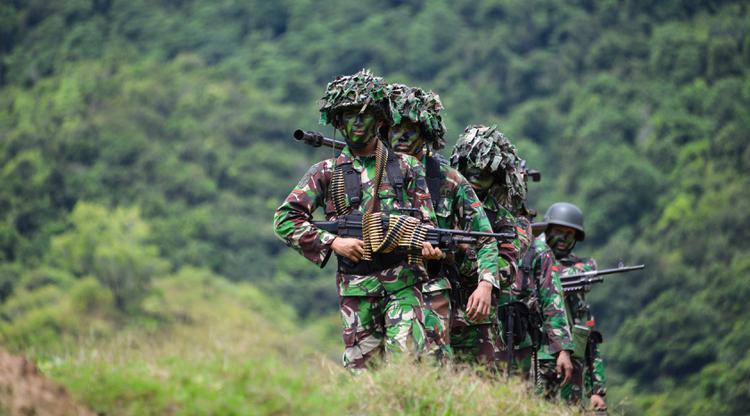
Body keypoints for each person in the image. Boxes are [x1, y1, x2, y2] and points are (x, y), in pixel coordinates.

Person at [273, 69, 444, 371]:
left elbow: (426, 222)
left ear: (380, 120)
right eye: (348, 116)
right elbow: (285, 220)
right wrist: (333, 242)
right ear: (338, 122)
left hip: (403, 284)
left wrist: (428, 245)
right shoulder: (326, 171)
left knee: (406, 367)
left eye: (363, 115)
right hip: (357, 290)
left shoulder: (406, 168)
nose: (356, 123)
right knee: (363, 377)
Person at [385, 84, 509, 363]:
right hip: (383, 286)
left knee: (434, 366)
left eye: (411, 130)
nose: (400, 136)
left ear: (426, 133)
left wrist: (486, 284)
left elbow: (485, 237)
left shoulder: (448, 180)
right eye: (394, 128)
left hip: (433, 289)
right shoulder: (377, 173)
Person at [448, 125, 521, 367]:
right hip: (437, 311)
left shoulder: (505, 222)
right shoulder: (442, 206)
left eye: (485, 174)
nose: (476, 180)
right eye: (472, 172)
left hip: (478, 322)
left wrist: (464, 254)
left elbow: (506, 270)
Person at [542, 202, 607, 411]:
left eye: (569, 234)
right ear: (547, 231)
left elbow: (589, 339)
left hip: (573, 369)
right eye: (558, 232)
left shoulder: (579, 273)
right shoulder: (532, 265)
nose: (563, 239)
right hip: (539, 360)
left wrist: (596, 389)